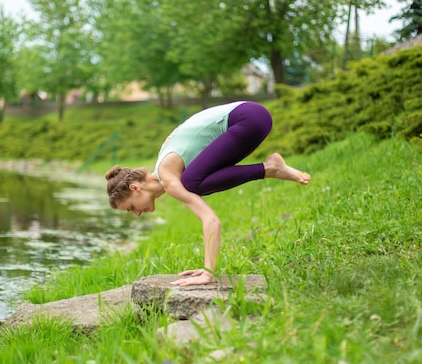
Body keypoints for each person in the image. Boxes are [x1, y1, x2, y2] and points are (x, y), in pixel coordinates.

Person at [105, 101, 310, 286]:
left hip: (248, 118)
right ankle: (271, 168)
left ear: (135, 188)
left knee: (191, 183)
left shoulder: (169, 179)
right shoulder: (166, 165)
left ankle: (270, 169)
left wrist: (208, 272)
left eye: (131, 207)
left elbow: (211, 221)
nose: (137, 214)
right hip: (253, 116)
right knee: (192, 181)